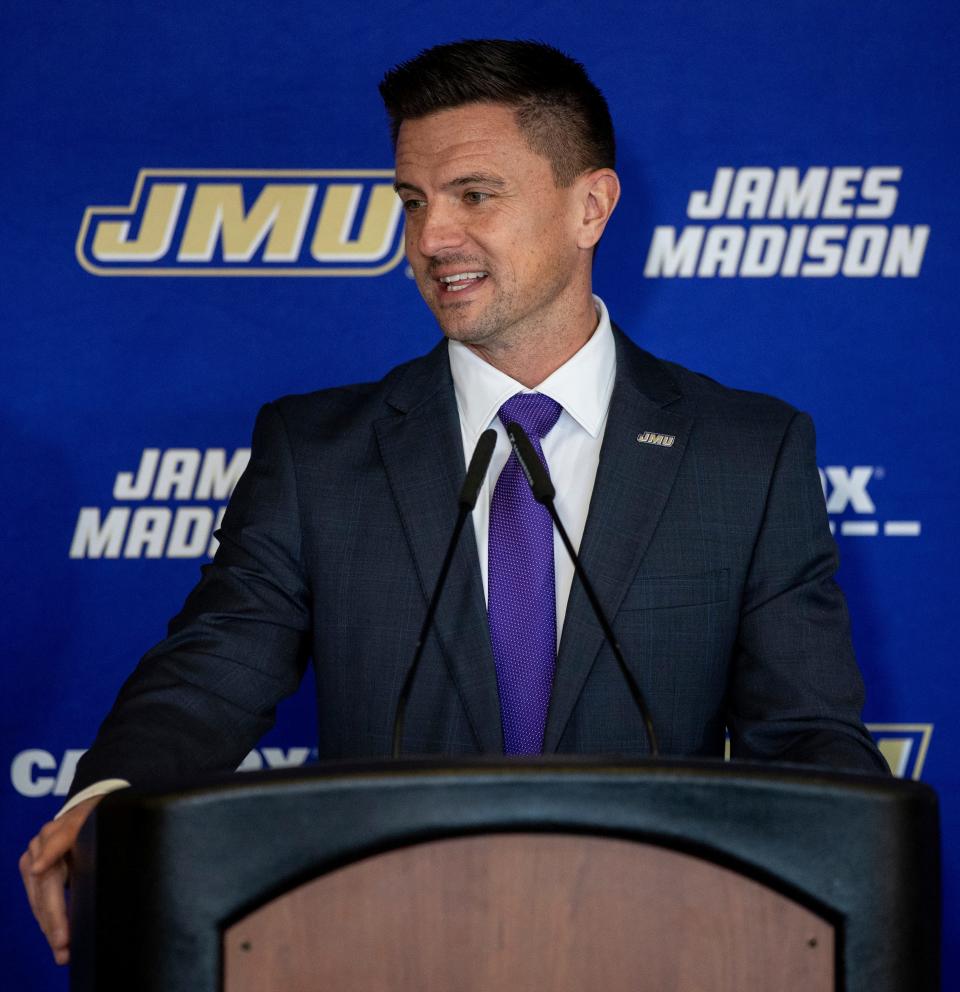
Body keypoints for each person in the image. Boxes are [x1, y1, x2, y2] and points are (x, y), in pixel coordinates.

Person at [20, 38, 888, 965]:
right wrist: (108, 798)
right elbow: (212, 673)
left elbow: (806, 739)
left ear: (590, 206)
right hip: (386, 950)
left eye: (475, 195)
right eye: (413, 201)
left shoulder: (747, 453)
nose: (433, 237)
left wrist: (855, 880)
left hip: (657, 951)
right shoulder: (317, 454)